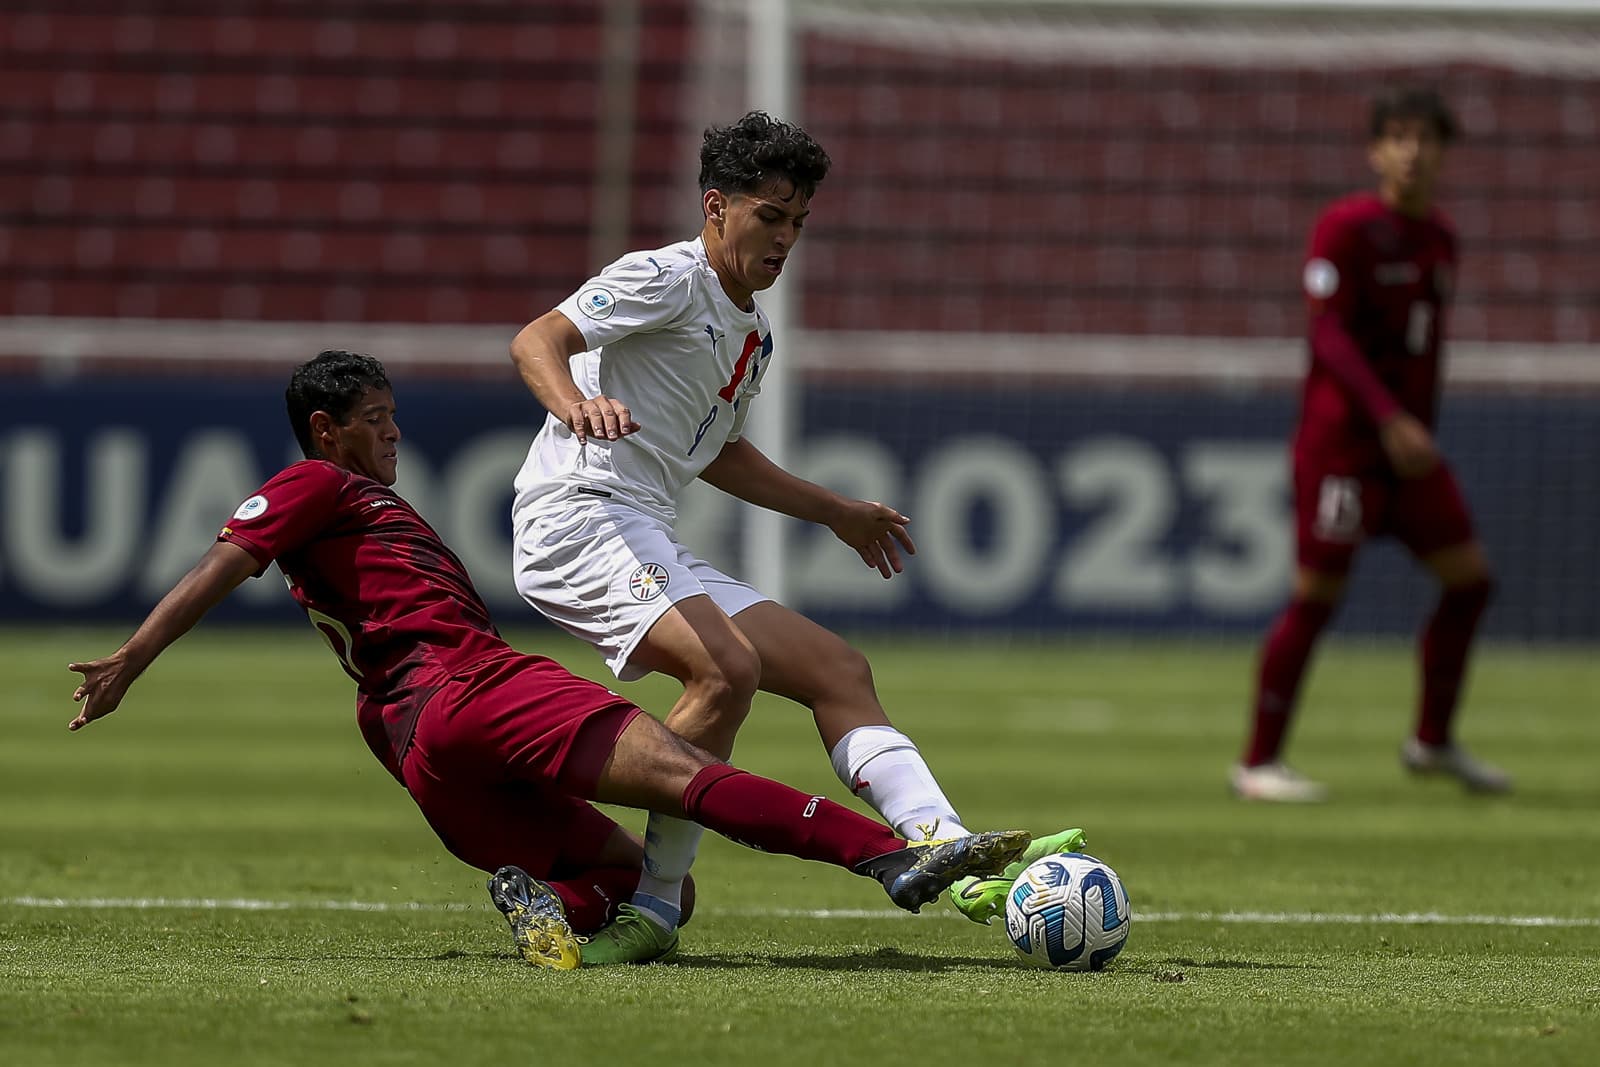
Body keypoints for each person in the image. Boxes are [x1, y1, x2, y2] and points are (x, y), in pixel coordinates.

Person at [65, 350, 1033, 969]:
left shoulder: (359, 521)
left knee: (659, 888)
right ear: (326, 430)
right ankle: (891, 852)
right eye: (373, 416)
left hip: (416, 744)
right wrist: (132, 658)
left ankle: (551, 905)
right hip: (472, 687)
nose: (393, 429)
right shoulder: (317, 480)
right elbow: (224, 559)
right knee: (691, 774)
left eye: (392, 411)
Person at [506, 111, 1083, 946]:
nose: (784, 238)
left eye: (798, 223)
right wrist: (576, 402)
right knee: (725, 669)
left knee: (836, 669)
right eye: (769, 216)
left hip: (642, 524)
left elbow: (719, 452)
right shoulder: (665, 278)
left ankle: (939, 839)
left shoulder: (753, 332)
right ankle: (649, 900)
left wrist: (836, 510)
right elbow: (538, 339)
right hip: (576, 514)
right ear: (716, 207)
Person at [1231, 87, 1510, 802]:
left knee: (1470, 580)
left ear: (1444, 153)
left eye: (1427, 138)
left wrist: (1414, 425)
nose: (1413, 150)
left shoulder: (1440, 236)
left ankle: (1432, 741)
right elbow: (1329, 333)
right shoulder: (1345, 228)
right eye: (1400, 136)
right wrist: (1389, 416)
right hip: (1347, 447)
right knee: (1317, 594)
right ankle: (1258, 762)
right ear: (1376, 149)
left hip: (1408, 454)